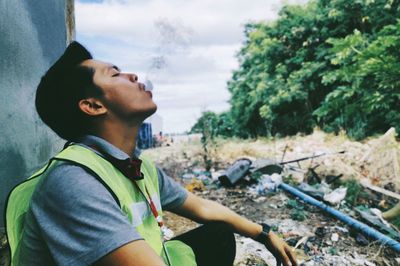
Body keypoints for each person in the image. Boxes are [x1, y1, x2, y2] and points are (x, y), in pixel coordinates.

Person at [6, 41, 298, 266]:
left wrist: (264, 233)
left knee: (218, 235)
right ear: (93, 106)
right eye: (115, 73)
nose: (131, 75)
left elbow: (203, 209)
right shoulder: (73, 183)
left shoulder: (137, 165)